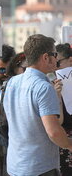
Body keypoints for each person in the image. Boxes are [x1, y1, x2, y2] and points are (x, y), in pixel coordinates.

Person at [3, 34, 72, 176]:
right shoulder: (44, 87)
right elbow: (53, 131)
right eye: (55, 55)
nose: (56, 60)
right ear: (46, 57)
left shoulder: (12, 82)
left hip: (15, 165)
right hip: (39, 167)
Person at [0, 52, 27, 176]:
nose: (4, 73)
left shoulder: (29, 86)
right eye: (25, 69)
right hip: (9, 147)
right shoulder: (3, 89)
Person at [56, 43, 72, 175]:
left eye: (58, 63)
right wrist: (57, 96)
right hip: (66, 142)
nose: (55, 68)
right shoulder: (52, 84)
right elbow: (58, 121)